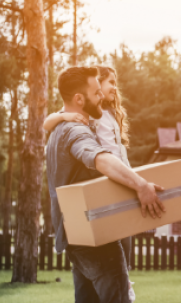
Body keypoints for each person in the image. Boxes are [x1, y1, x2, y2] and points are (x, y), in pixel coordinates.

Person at [46, 66, 164, 303]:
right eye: (97, 92)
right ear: (80, 97)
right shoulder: (75, 132)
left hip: (74, 233)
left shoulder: (58, 129)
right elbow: (100, 158)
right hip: (94, 237)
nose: (103, 97)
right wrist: (141, 185)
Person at [44, 66, 134, 271]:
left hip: (121, 176)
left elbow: (120, 154)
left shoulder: (109, 114)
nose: (114, 87)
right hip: (107, 178)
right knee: (115, 247)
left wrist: (132, 178)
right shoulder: (87, 114)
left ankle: (125, 279)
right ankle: (123, 285)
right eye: (110, 82)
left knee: (125, 242)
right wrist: (64, 117)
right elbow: (47, 122)